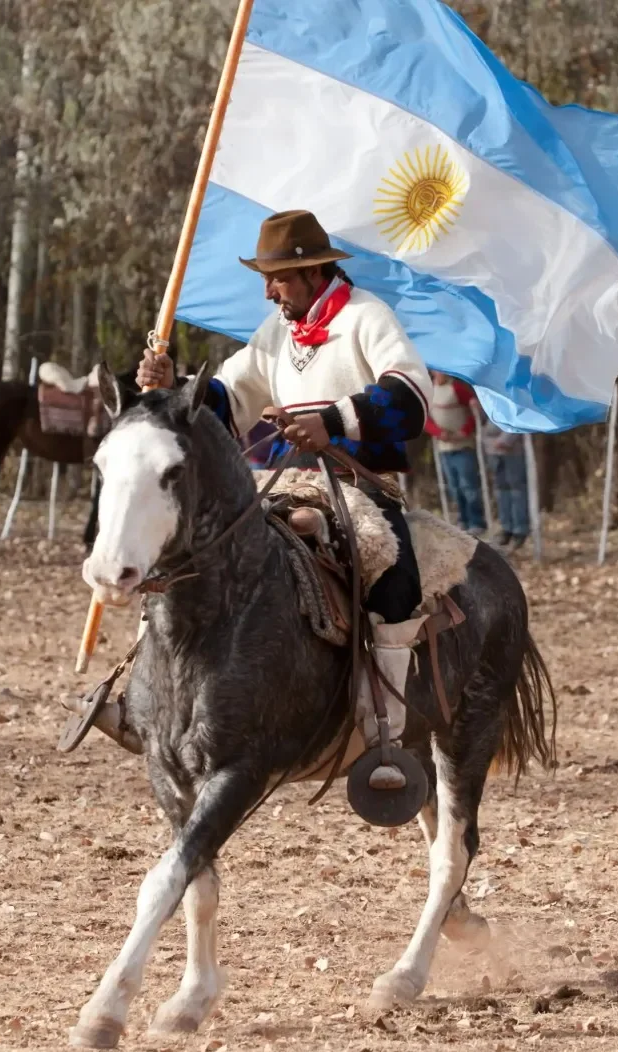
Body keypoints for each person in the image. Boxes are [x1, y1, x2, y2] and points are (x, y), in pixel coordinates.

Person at [137, 209, 433, 793]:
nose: (269, 290)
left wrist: (334, 419)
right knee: (190, 555)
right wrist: (171, 389)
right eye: (267, 278)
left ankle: (387, 725)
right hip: (288, 485)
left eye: (278, 278)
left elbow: (412, 396)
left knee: (393, 575)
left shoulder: (367, 318)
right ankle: (157, 698)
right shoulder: (276, 332)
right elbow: (226, 399)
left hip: (361, 485)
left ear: (313, 272)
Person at [425, 372, 485, 535]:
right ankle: (462, 520)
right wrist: (438, 433)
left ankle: (476, 521)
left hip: (463, 446)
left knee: (468, 485)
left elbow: (475, 412)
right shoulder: (428, 389)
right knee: (454, 486)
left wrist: (464, 432)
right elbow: (425, 418)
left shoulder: (457, 388)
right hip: (444, 448)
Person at [480, 414, 529, 551]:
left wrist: (506, 440)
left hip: (512, 450)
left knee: (516, 489)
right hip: (493, 451)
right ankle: (506, 528)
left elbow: (520, 419)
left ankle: (520, 529)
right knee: (501, 490)